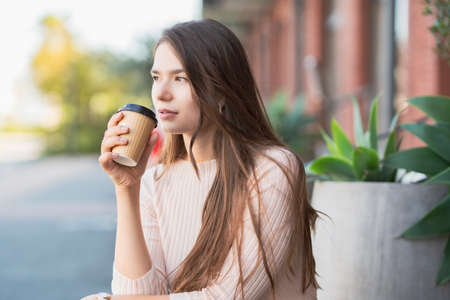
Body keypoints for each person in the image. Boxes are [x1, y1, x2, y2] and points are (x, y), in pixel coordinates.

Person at [81, 19, 319, 300]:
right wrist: (126, 188)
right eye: (157, 77)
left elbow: (228, 297)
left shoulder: (273, 168)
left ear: (222, 89)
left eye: (180, 78)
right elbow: (139, 294)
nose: (161, 93)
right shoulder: (155, 181)